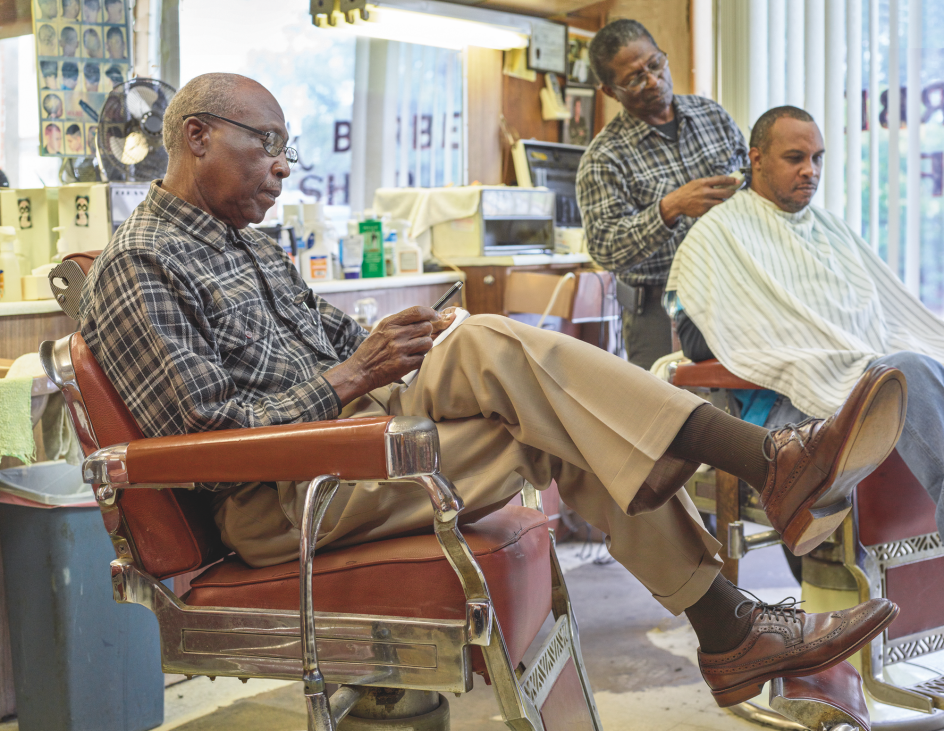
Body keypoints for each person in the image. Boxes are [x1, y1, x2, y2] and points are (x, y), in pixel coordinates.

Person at [80, 74, 902, 709]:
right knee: (507, 362)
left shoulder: (249, 249)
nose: (285, 168)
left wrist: (394, 347)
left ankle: (731, 620)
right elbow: (206, 450)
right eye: (268, 145)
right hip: (280, 500)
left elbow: (342, 352)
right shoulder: (142, 262)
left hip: (354, 443)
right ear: (197, 137)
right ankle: (763, 487)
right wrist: (356, 374)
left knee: (515, 374)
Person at [667, 104, 944, 538]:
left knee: (908, 367)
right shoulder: (719, 232)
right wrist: (781, 322)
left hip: (858, 382)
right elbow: (698, 337)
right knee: (902, 372)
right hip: (786, 406)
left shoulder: (829, 228)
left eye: (817, 159)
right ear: (756, 158)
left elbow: (886, 315)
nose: (810, 171)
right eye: (795, 158)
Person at [576, 19, 747, 371]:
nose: (652, 80)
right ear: (610, 91)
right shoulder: (604, 157)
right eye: (635, 78)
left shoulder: (711, 116)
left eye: (655, 65)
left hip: (733, 293)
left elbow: (750, 183)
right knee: (670, 416)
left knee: (739, 410)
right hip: (658, 311)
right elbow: (605, 248)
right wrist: (669, 209)